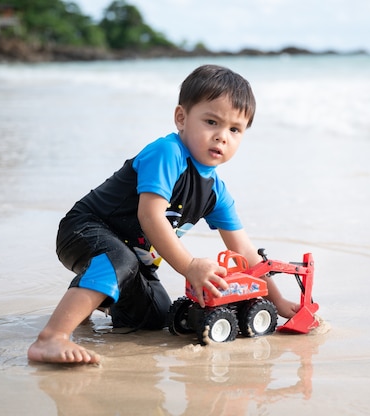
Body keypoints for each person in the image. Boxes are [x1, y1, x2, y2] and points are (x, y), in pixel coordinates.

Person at [27, 64, 299, 364]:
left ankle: (94, 298)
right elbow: (150, 216)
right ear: (181, 118)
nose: (222, 137)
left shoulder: (216, 192)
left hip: (133, 258)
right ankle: (51, 338)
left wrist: (279, 301)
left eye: (234, 129)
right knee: (120, 260)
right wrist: (190, 265)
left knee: (156, 317)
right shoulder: (168, 153)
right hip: (85, 229)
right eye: (211, 122)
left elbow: (245, 251)